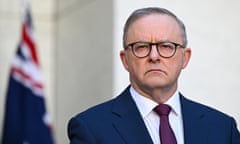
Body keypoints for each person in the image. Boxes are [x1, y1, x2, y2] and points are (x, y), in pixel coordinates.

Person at [67, 7, 240, 144]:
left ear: (185, 58)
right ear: (125, 59)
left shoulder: (223, 128)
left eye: (166, 46)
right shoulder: (90, 128)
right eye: (141, 47)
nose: (154, 56)